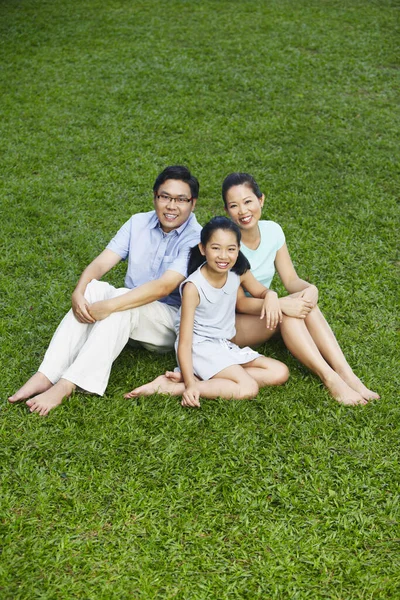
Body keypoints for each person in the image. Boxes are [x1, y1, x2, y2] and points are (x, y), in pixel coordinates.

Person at [8, 165, 202, 415]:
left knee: (121, 298)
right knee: (94, 288)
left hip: (169, 322)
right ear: (155, 196)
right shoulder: (138, 222)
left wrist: (110, 305)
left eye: (181, 200)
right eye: (165, 197)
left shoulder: (197, 237)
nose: (171, 206)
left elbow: (164, 286)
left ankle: (69, 383)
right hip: (128, 314)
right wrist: (79, 291)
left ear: (193, 203)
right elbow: (102, 262)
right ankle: (46, 374)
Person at [222, 172, 380, 406]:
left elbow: (291, 279)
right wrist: (281, 304)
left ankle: (346, 374)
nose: (243, 211)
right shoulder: (227, 244)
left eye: (248, 202)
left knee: (303, 304)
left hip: (264, 311)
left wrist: (310, 289)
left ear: (261, 200)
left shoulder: (273, 231)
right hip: (232, 323)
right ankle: (331, 379)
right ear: (227, 211)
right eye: (234, 206)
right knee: (289, 312)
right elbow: (240, 303)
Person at [125, 216, 289, 407]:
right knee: (248, 387)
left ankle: (197, 380)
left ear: (238, 249)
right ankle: (179, 386)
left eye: (231, 249)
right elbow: (185, 342)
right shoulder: (193, 287)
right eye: (216, 248)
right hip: (200, 348)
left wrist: (270, 294)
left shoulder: (238, 271)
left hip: (222, 344)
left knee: (279, 371)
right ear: (203, 249)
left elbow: (260, 291)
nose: (223, 256)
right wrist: (190, 383)